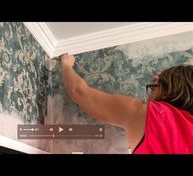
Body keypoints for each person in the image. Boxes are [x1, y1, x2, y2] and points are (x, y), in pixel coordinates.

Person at [55, 53, 193, 154]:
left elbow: (79, 92)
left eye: (152, 87)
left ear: (166, 90)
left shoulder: (155, 116)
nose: (149, 94)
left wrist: (66, 64)